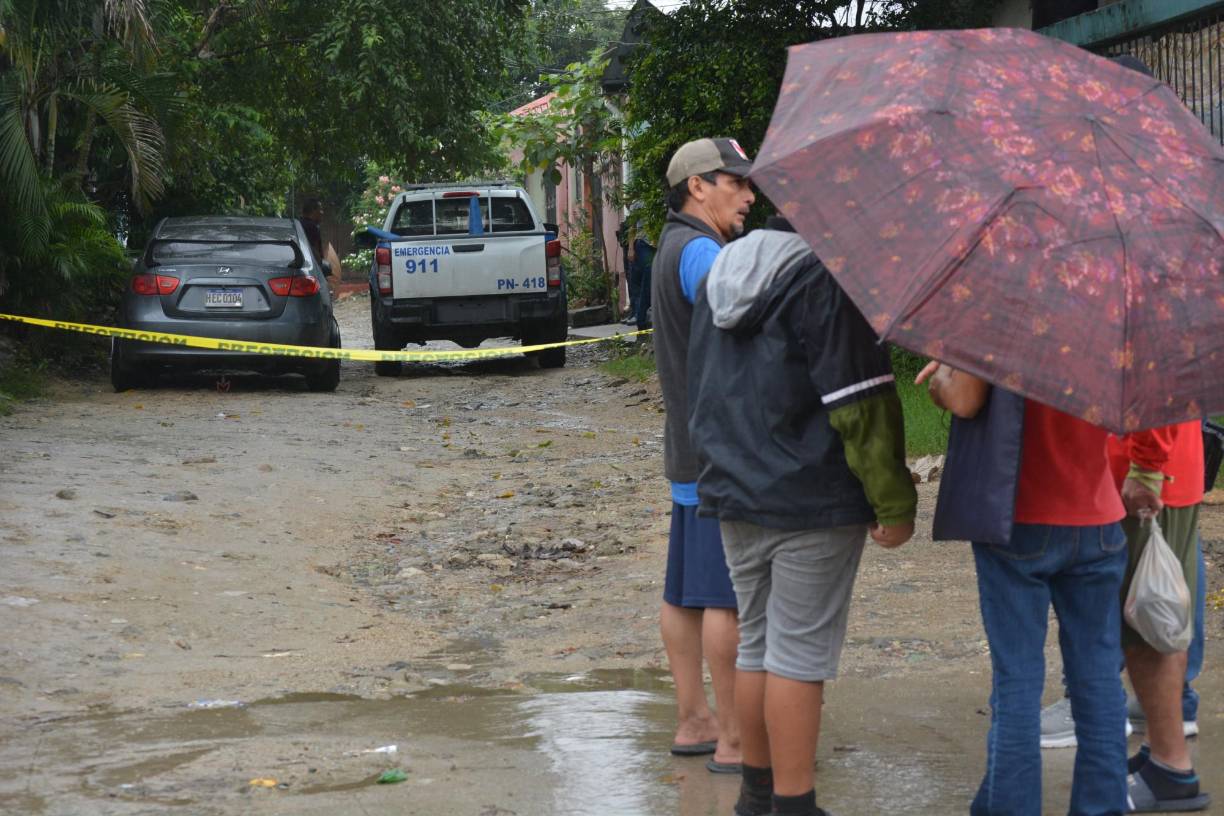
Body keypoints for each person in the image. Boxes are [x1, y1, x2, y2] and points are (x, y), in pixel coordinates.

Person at [688, 215, 917, 816]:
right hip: (810, 498)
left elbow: (700, 389)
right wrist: (894, 502)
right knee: (799, 655)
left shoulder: (722, 271)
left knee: (760, 642)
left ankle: (757, 797)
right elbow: (860, 402)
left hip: (734, 492)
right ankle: (795, 804)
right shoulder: (824, 277)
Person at [921, 363, 1129, 815]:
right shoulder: (1106, 309)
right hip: (1098, 517)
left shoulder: (1008, 306)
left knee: (1017, 683)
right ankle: (1103, 806)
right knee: (1097, 680)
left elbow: (964, 398)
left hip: (1019, 516)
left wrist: (944, 375)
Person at [652, 136, 755, 773]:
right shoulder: (701, 252)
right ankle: (738, 740)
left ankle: (694, 718)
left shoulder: (669, 247)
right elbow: (741, 316)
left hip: (688, 449)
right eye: (735, 183)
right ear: (698, 186)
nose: (747, 195)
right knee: (726, 597)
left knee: (686, 594)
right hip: (719, 451)